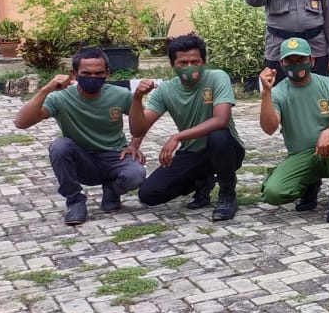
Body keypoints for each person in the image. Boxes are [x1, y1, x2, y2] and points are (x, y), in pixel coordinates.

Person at [14, 47, 145, 225]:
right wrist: (46, 89)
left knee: (136, 174)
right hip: (82, 160)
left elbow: (142, 122)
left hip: (114, 155)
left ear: (107, 73)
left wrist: (134, 145)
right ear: (74, 74)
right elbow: (21, 123)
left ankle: (112, 189)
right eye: (86, 73)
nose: (93, 77)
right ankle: (75, 201)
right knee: (59, 146)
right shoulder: (60, 98)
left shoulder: (120, 95)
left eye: (99, 73)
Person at [128, 34, 246, 222]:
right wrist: (136, 99)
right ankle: (203, 181)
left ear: (204, 62)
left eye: (195, 61)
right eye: (183, 63)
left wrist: (177, 137)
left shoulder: (217, 77)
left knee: (218, 136)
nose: (189, 67)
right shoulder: (165, 90)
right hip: (192, 152)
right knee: (149, 194)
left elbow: (220, 120)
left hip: (227, 150)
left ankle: (227, 194)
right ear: (172, 64)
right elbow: (140, 128)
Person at [258, 37, 329, 223]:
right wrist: (266, 94)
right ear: (281, 63)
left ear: (312, 60)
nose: (295, 65)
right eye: (289, 61)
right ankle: (309, 184)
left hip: (328, 150)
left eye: (301, 60)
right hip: (299, 155)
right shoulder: (278, 92)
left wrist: (328, 132)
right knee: (273, 194)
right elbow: (269, 128)